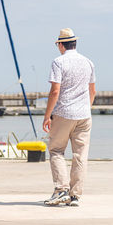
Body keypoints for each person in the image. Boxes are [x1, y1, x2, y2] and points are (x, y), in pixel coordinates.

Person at [42, 28, 96, 207]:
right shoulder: (88, 62)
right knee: (80, 155)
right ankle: (75, 196)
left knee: (56, 150)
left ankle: (61, 190)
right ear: (75, 43)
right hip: (84, 115)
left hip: (64, 112)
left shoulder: (58, 62)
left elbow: (55, 91)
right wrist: (85, 108)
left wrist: (47, 115)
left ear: (60, 45)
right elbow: (92, 91)